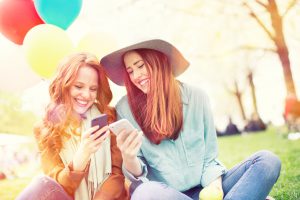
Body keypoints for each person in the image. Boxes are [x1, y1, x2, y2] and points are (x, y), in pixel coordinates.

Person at [100, 39, 281, 200]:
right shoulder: (125, 108)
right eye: (130, 71)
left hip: (206, 187)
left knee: (267, 161)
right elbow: (138, 176)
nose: (136, 76)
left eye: (140, 65)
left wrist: (215, 185)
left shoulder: (197, 97)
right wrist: (128, 156)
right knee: (144, 193)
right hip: (167, 195)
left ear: (158, 61)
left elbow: (210, 157)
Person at [17, 52, 129, 200]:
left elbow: (116, 175)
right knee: (41, 184)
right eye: (79, 86)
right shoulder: (44, 128)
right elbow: (55, 186)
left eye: (93, 89)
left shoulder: (109, 117)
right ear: (64, 85)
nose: (86, 95)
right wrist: (82, 155)